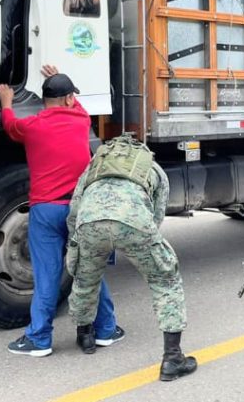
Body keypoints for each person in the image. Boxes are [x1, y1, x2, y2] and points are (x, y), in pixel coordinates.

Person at [0, 67, 123, 357]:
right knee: (90, 268)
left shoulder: (32, 126)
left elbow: (9, 124)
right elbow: (76, 104)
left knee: (47, 275)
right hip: (79, 210)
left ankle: (39, 339)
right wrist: (61, 74)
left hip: (46, 210)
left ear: (44, 101)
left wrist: (6, 101)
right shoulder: (80, 119)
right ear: (68, 99)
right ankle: (106, 330)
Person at [65, 135, 198, 381]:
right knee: (165, 281)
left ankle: (85, 336)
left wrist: (77, 240)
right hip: (134, 222)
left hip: (90, 222)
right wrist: (143, 247)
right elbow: (156, 217)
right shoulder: (152, 167)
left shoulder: (94, 166)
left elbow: (75, 208)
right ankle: (172, 358)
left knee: (86, 280)